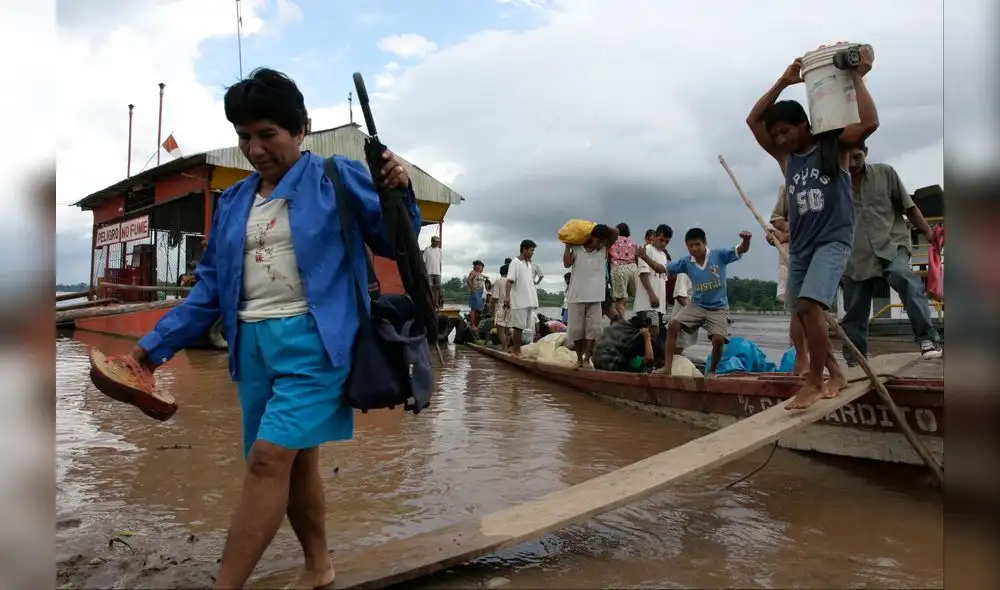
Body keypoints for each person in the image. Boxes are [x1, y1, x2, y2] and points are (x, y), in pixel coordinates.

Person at [120, 68, 420, 589]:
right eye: (244, 137)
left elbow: (398, 239)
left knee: (266, 460)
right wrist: (148, 351)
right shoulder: (234, 201)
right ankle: (319, 567)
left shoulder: (337, 178)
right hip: (252, 348)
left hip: (317, 345)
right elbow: (209, 290)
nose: (254, 149)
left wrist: (401, 189)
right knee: (295, 464)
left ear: (302, 129)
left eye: (267, 134)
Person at [746, 47, 878, 410]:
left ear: (804, 124)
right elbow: (753, 120)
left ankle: (815, 382)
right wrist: (783, 81)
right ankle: (835, 374)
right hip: (802, 246)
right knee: (803, 316)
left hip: (832, 240)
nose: (781, 139)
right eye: (777, 134)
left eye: (786, 131)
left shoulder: (832, 147)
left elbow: (869, 123)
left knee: (809, 305)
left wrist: (856, 77)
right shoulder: (786, 158)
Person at [841, 143, 943, 362]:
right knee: (855, 309)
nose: (852, 163)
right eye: (846, 158)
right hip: (856, 253)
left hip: (892, 243)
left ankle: (927, 338)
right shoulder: (834, 185)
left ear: (866, 152)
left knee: (903, 276)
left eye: (857, 157)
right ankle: (855, 360)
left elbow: (910, 208)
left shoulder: (886, 173)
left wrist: (928, 231)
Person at [660, 228, 752, 376]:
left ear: (705, 243)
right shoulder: (686, 262)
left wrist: (746, 240)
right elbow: (661, 268)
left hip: (718, 307)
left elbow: (741, 249)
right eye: (690, 246)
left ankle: (712, 372)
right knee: (673, 325)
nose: (694, 249)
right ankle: (667, 368)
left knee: (718, 339)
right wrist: (645, 258)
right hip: (697, 305)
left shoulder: (718, 255)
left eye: (697, 244)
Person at [563, 224, 617, 367]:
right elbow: (566, 264)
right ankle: (579, 359)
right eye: (598, 241)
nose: (600, 245)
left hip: (596, 298)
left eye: (603, 242)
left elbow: (615, 232)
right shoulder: (576, 249)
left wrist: (593, 227)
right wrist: (567, 246)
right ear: (592, 238)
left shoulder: (603, 250)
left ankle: (587, 359)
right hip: (576, 296)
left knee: (592, 331)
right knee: (576, 331)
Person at [592, 313, 664, 373]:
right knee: (639, 367)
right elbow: (649, 358)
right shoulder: (637, 338)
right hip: (609, 364)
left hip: (597, 360)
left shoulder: (622, 325)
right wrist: (647, 337)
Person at [505, 240, 539, 356]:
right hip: (519, 301)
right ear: (524, 249)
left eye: (533, 250)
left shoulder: (528, 264)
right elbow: (509, 281)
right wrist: (507, 297)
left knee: (524, 327)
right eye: (531, 250)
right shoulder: (515, 262)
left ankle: (518, 350)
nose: (532, 253)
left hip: (528, 300)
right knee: (518, 327)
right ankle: (516, 351)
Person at [633, 223, 670, 328]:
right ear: (654, 237)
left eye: (666, 241)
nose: (663, 244)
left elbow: (663, 278)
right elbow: (643, 275)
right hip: (647, 302)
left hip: (659, 304)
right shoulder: (646, 250)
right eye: (661, 240)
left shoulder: (663, 255)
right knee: (652, 330)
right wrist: (652, 295)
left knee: (653, 333)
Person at [609, 222, 639, 319]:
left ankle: (622, 322)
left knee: (620, 299)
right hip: (633, 268)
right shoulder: (633, 242)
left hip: (619, 267)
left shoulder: (613, 240)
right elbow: (637, 256)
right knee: (630, 298)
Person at [767, 185, 791, 304]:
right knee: (796, 305)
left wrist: (785, 236)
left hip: (821, 256)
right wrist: (780, 236)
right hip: (791, 259)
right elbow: (776, 219)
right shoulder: (788, 186)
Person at [491, 264, 511, 352]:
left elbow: (495, 298)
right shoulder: (513, 282)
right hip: (511, 308)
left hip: (501, 308)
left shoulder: (498, 282)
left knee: (501, 331)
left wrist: (491, 309)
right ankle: (507, 348)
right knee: (507, 330)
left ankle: (505, 349)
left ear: (500, 272)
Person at [422, 235, 443, 308]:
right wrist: (424, 272)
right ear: (432, 241)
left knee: (437, 288)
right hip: (429, 272)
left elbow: (440, 262)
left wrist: (440, 271)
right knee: (430, 288)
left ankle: (436, 303)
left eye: (438, 242)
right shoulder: (427, 249)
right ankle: (430, 302)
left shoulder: (440, 250)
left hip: (437, 272)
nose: (437, 243)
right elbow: (423, 261)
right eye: (435, 241)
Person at [467, 260, 486, 328]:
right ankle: (473, 325)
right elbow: (469, 280)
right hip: (476, 291)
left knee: (479, 309)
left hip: (481, 292)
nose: (481, 268)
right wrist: (473, 289)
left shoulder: (479, 274)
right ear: (476, 266)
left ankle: (476, 324)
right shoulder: (473, 272)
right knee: (474, 309)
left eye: (482, 267)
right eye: (480, 266)